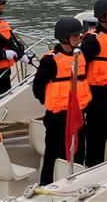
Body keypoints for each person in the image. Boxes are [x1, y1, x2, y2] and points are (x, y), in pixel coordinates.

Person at [32, 17, 91, 185]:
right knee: (54, 155)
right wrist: (54, 102)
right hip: (57, 118)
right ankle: (47, 186)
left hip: (78, 116)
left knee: (78, 154)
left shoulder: (80, 55)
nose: (79, 39)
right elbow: (38, 88)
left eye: (79, 36)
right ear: (65, 38)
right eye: (75, 36)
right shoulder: (50, 60)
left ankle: (75, 184)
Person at [81, 0, 107, 166]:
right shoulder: (92, 39)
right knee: (96, 134)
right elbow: (81, 65)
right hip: (98, 94)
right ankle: (92, 164)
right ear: (101, 17)